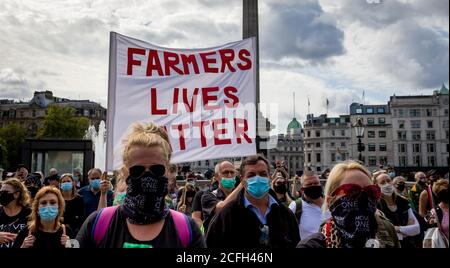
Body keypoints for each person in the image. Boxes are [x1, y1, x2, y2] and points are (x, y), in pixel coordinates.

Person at [76, 122, 205, 248]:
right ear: (125, 173)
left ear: (168, 171)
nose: (147, 177)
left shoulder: (188, 229)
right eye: (137, 170)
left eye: (156, 170)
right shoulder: (97, 224)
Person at [298, 161, 400, 248]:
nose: (363, 197)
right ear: (330, 201)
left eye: (370, 191)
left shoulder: (388, 233)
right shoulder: (310, 245)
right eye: (352, 191)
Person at [206, 155, 300, 248]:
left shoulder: (285, 214)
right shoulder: (226, 214)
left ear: (270, 178)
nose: (257, 178)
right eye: (251, 175)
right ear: (242, 180)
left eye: (263, 174)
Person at [374, 172, 420, 248]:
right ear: (377, 186)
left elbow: (416, 228)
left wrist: (397, 229)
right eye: (382, 182)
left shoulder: (403, 202)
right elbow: (381, 233)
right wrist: (405, 231)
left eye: (388, 181)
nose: (387, 184)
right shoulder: (376, 206)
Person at [201, 160, 242, 233]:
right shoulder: (208, 196)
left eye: (232, 172)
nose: (229, 175)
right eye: (225, 172)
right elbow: (222, 208)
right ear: (216, 176)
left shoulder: (241, 195)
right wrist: (242, 185)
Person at [289, 172, 331, 241]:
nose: (313, 186)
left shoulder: (331, 203)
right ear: (302, 189)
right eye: (309, 184)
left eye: (316, 183)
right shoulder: (296, 206)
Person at [0, 178, 31, 248]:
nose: (1, 195)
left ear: (16, 194)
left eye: (5, 192)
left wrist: (20, 237)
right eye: (0, 192)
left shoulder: (29, 214)